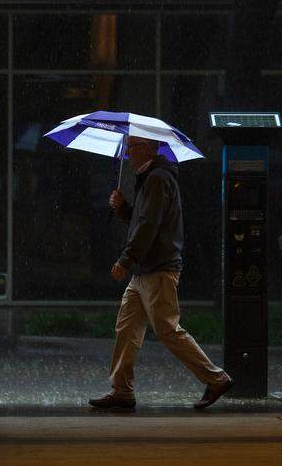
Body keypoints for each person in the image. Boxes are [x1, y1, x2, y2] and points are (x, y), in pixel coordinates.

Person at [88, 135, 233, 411]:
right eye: (128, 148)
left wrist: (125, 260)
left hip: (157, 269)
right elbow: (142, 220)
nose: (128, 154)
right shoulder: (148, 179)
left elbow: (149, 227)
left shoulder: (157, 180)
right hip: (145, 271)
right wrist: (123, 208)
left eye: (131, 148)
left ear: (148, 149)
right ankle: (121, 390)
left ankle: (216, 378)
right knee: (127, 326)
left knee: (167, 330)